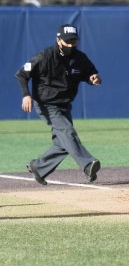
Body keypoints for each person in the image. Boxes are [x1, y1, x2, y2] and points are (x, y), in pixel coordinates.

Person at [15, 24, 102, 185]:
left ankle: (38, 167)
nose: (71, 45)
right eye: (67, 41)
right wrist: (26, 95)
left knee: (63, 142)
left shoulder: (80, 58)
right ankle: (88, 164)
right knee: (68, 132)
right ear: (58, 40)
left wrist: (93, 79)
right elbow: (21, 74)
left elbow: (91, 73)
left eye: (74, 41)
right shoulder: (44, 56)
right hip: (46, 104)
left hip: (65, 104)